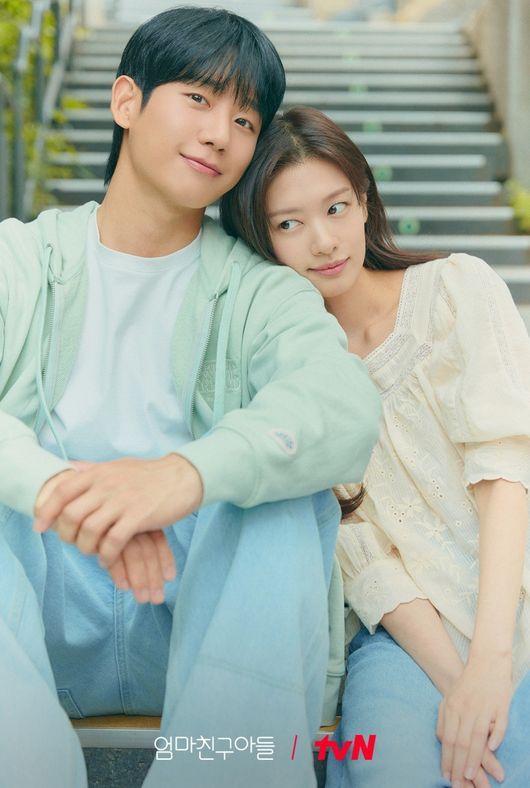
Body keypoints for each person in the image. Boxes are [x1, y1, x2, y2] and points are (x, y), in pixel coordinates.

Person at [0, 13, 382, 788]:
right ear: (126, 102)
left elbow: (343, 406)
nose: (220, 134)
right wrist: (67, 497)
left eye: (245, 120)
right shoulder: (20, 261)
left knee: (277, 498)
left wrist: (182, 476)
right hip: (34, 622)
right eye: (200, 99)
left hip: (205, 634)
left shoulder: (260, 290)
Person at [219, 105, 530, 788]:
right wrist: (459, 682)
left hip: (514, 604)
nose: (323, 241)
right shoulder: (288, 377)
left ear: (364, 203)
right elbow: (362, 555)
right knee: (387, 770)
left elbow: (507, 470)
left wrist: (491, 665)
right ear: (261, 239)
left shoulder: (456, 290)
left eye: (335, 208)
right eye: (289, 224)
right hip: (408, 637)